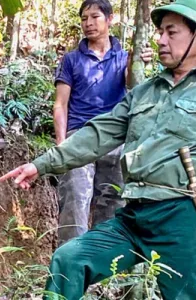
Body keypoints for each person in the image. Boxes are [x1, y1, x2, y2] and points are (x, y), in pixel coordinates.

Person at [1, 0, 196, 298]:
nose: (160, 40)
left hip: (185, 217)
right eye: (159, 32)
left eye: (171, 32)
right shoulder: (145, 92)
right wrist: (40, 164)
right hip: (135, 214)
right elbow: (98, 134)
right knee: (70, 260)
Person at [53, 0, 153, 243]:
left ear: (110, 19)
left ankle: (104, 273)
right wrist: (61, 145)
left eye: (95, 17)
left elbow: (132, 84)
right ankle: (70, 270)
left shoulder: (123, 57)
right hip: (80, 136)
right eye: (84, 18)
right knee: (75, 202)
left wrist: (139, 62)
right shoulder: (72, 59)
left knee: (112, 205)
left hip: (115, 138)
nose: (88, 23)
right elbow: (60, 104)